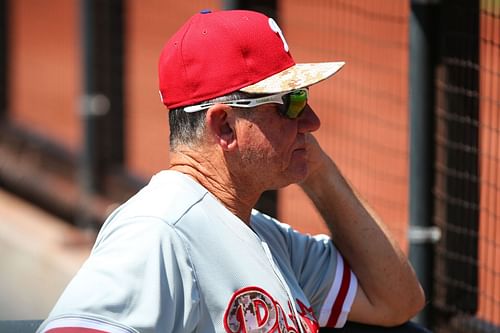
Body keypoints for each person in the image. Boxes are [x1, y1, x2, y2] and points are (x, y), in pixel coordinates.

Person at [37, 9, 428, 333]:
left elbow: (396, 301)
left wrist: (317, 170)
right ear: (224, 126)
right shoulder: (158, 231)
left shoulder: (269, 238)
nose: (311, 120)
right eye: (289, 103)